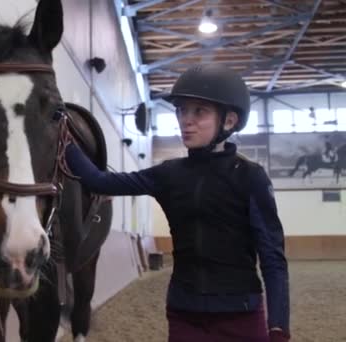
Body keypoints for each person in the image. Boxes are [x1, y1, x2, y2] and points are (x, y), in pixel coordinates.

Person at [65, 63, 290, 342]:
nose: (186, 119)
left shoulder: (250, 178)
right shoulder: (168, 174)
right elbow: (99, 182)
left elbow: (272, 258)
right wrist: (65, 139)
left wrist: (278, 326)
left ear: (229, 121)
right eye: (182, 110)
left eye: (199, 111)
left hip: (241, 315)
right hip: (186, 315)